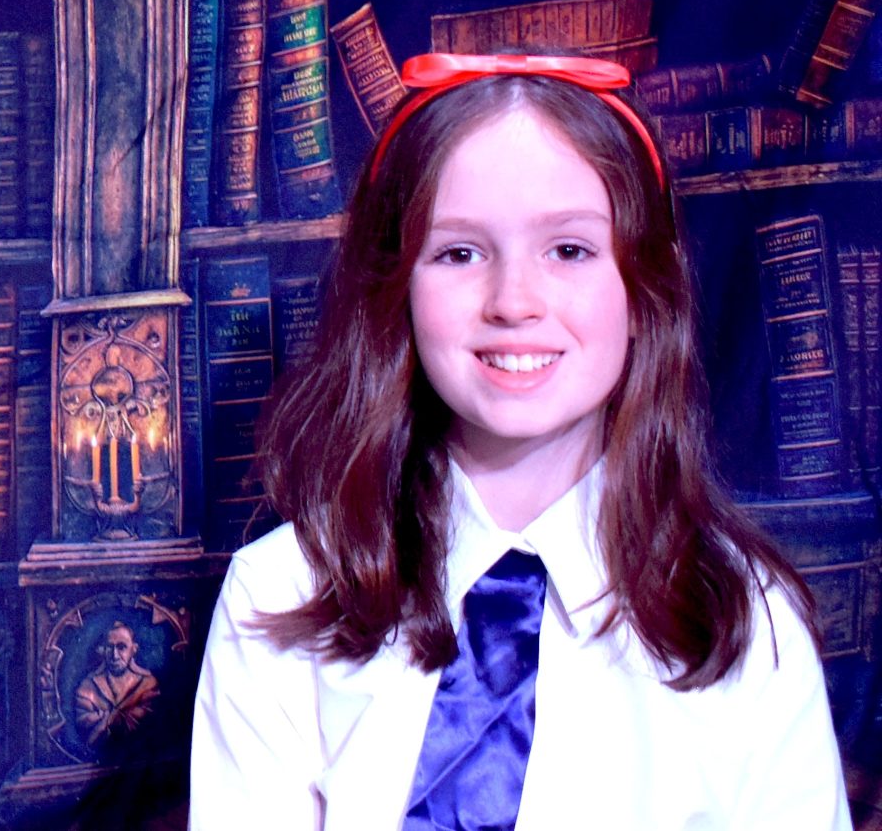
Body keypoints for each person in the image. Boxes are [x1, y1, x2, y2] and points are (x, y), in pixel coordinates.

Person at [191, 52, 849, 829]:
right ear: (397, 291)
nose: (513, 301)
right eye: (459, 253)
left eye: (569, 250)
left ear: (644, 292)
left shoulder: (748, 621)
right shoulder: (279, 596)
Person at [72, 623, 160, 746]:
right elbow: (82, 723)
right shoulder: (87, 687)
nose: (115, 655)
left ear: (133, 649)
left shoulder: (148, 684)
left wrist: (106, 719)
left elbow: (150, 724)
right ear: (103, 650)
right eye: (109, 647)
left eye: (121, 647)